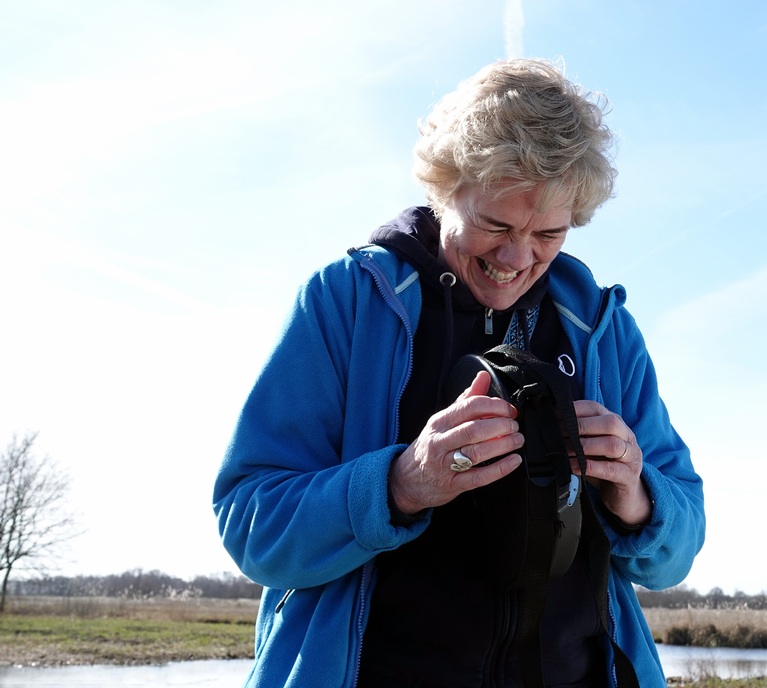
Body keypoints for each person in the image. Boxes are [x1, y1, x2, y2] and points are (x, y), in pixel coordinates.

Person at [213, 57, 705, 688]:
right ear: (445, 189)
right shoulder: (347, 303)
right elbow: (251, 523)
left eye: (548, 234)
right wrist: (400, 484)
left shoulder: (604, 331)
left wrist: (634, 494)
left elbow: (678, 551)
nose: (517, 257)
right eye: (495, 224)